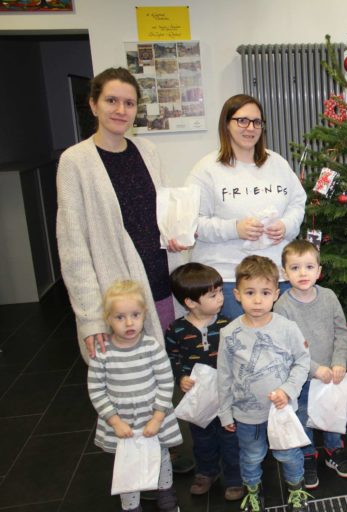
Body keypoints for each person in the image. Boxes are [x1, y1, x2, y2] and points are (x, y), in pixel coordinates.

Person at [57, 67, 186, 363]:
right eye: (111, 101)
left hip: (159, 282)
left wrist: (176, 234)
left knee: (167, 376)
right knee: (128, 386)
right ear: (93, 104)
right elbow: (72, 247)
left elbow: (162, 214)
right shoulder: (75, 161)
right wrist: (90, 318)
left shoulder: (147, 150)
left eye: (129, 103)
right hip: (116, 296)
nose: (120, 110)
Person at [187, 94, 307, 319]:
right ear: (226, 124)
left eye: (256, 122)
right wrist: (235, 229)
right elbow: (192, 222)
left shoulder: (277, 163)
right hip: (228, 280)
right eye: (242, 120)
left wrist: (286, 225)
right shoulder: (206, 169)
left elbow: (297, 202)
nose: (250, 128)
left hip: (278, 277)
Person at [217, 255, 311, 512]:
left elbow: (302, 362)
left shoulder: (287, 328)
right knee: (251, 456)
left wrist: (288, 390)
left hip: (281, 411)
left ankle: (296, 490)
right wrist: (225, 412)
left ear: (276, 294)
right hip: (247, 414)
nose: (257, 300)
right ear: (237, 294)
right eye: (250, 292)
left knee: (289, 454)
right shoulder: (229, 334)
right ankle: (253, 493)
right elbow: (223, 375)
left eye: (265, 292)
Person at [87, 280, 183, 512]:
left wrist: (158, 417)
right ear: (108, 319)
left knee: (160, 456)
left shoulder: (151, 346)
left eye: (135, 315)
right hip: (122, 420)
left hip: (152, 414)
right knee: (127, 463)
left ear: (144, 315)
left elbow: (165, 381)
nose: (129, 322)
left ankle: (165, 493)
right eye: (120, 317)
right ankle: (131, 505)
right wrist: (115, 421)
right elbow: (96, 389)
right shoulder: (102, 353)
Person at [273, 240, 347, 490]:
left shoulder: (329, 297)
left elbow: (341, 332)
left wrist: (338, 362)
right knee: (303, 416)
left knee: (332, 412)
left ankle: (334, 450)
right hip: (301, 376)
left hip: (332, 373)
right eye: (295, 267)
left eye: (309, 267)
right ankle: (308, 454)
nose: (303, 273)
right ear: (284, 272)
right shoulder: (282, 306)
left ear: (319, 271)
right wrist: (314, 369)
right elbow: (286, 347)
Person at [164, 263, 242, 501]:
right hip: (198, 397)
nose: (221, 298)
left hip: (226, 394)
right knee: (202, 437)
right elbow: (174, 357)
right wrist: (181, 378)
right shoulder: (176, 330)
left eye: (220, 291)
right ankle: (206, 472)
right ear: (190, 302)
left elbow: (237, 356)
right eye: (213, 294)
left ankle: (234, 478)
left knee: (230, 437)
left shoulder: (226, 324)